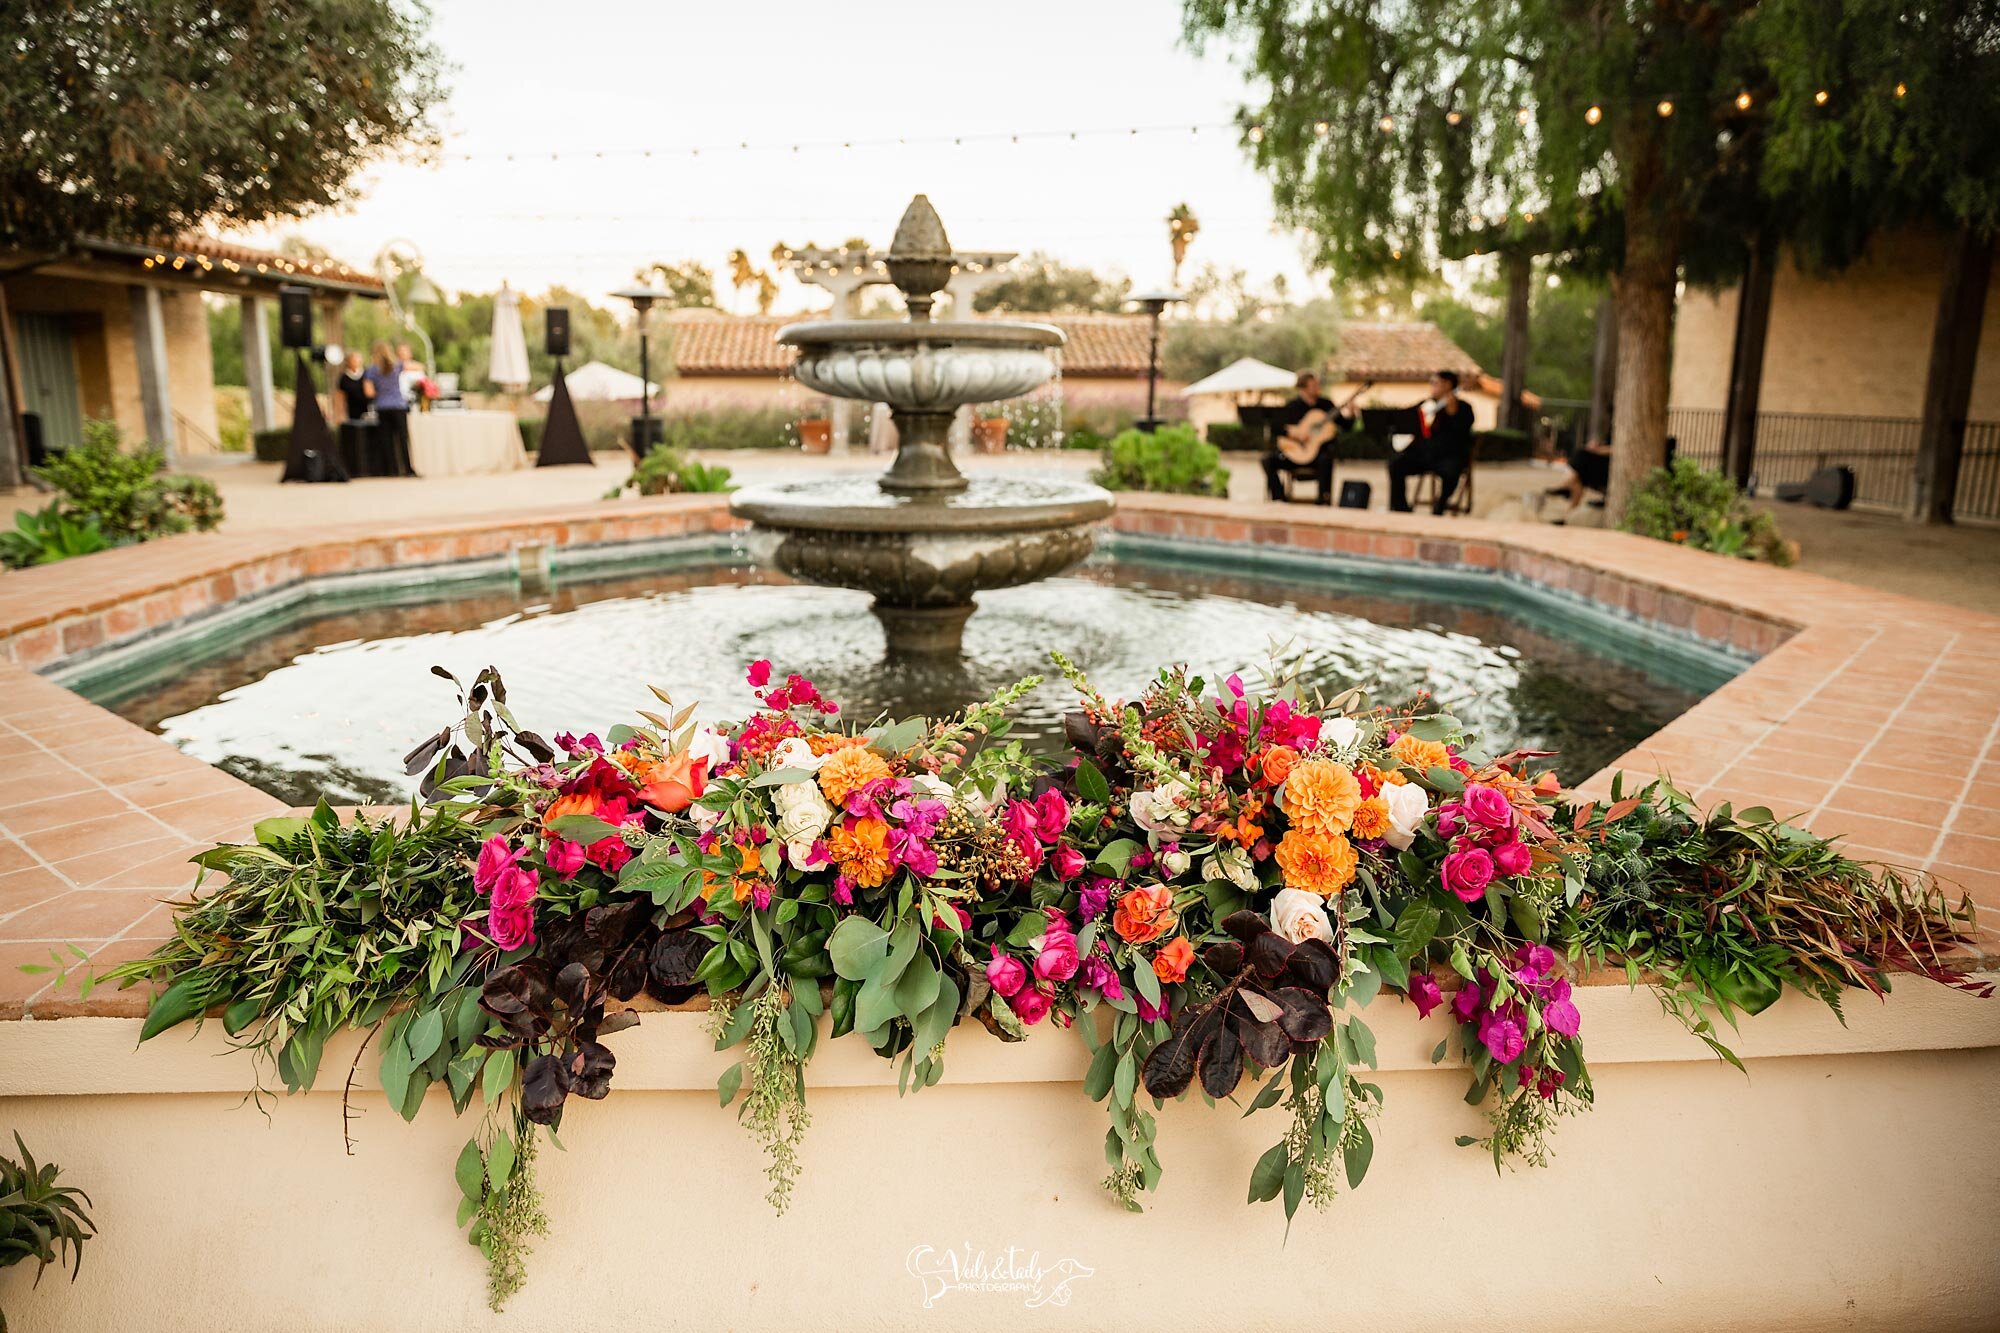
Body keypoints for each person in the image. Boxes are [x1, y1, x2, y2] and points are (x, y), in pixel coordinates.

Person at [1387, 369, 1476, 514]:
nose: (1432, 387)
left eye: (1435, 383)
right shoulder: (1427, 404)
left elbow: (1463, 430)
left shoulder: (1464, 408)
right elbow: (1406, 418)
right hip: (1425, 455)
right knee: (1396, 466)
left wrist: (1452, 412)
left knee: (1452, 472)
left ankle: (1440, 507)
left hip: (1449, 456)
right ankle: (1401, 508)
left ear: (1447, 385)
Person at [1261, 371, 1356, 503]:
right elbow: (1275, 428)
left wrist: (1351, 414)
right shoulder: (1291, 406)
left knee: (1326, 460)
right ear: (1303, 388)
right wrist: (1293, 434)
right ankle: (1279, 498)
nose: (1318, 387)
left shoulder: (1326, 405)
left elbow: (1346, 427)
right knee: (1267, 460)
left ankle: (1323, 499)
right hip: (1294, 453)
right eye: (1314, 385)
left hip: (1317, 455)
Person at [364, 341, 412, 475]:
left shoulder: (371, 370)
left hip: (382, 406)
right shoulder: (397, 366)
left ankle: (392, 470)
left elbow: (369, 392)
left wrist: (381, 391)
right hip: (398, 405)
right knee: (402, 439)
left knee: (387, 440)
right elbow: (414, 366)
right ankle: (407, 469)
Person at [1543, 432, 1612, 521]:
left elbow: (1618, 448)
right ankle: (1567, 518)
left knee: (1581, 454)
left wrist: (1600, 450)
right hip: (1604, 464)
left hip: (1609, 469)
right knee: (1576, 481)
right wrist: (1597, 445)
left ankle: (1564, 487)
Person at [335, 349, 370, 422]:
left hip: (368, 411)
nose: (356, 361)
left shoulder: (367, 374)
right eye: (354, 359)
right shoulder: (344, 378)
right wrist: (339, 415)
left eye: (358, 359)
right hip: (353, 412)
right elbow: (340, 397)